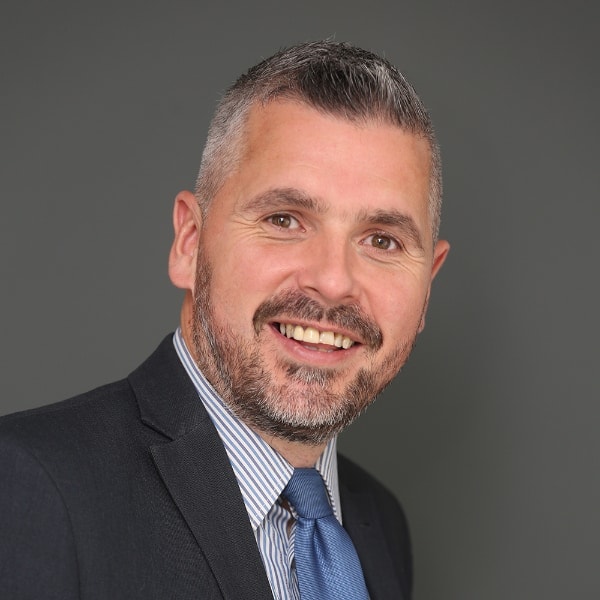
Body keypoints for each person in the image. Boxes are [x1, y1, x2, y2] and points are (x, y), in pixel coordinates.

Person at [0, 41, 449, 599]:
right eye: (285, 219)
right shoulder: (30, 486)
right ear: (190, 242)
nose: (333, 281)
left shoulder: (379, 522)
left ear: (428, 282)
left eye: (382, 240)